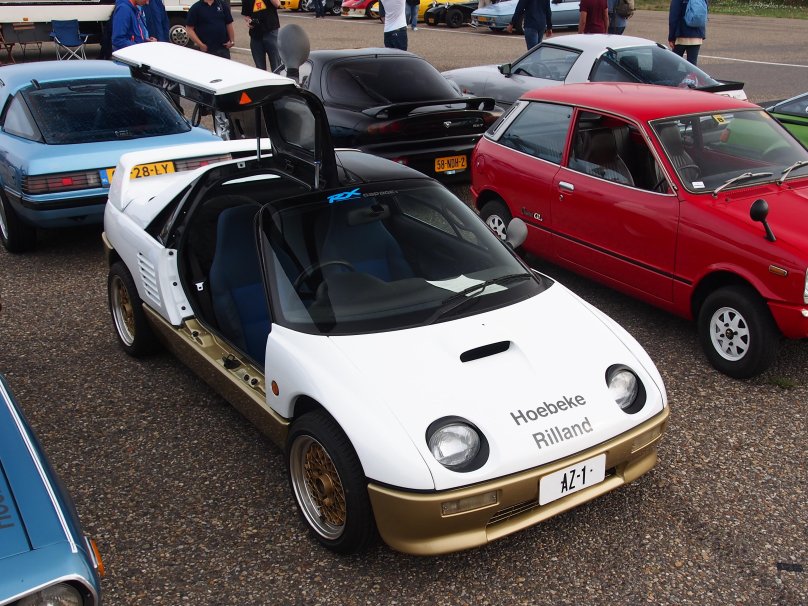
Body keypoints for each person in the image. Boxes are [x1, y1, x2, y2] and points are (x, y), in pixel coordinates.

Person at [242, 0, 282, 72]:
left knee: (276, 65)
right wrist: (249, 21)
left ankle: (277, 81)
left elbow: (277, 4)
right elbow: (246, 14)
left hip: (271, 32)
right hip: (255, 35)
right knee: (260, 69)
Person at [668, 0, 706, 65]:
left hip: (681, 35)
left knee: (674, 65)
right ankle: (691, 75)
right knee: (692, 66)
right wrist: (702, 34)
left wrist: (671, 37)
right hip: (697, 36)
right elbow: (704, 13)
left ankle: (678, 75)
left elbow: (673, 17)